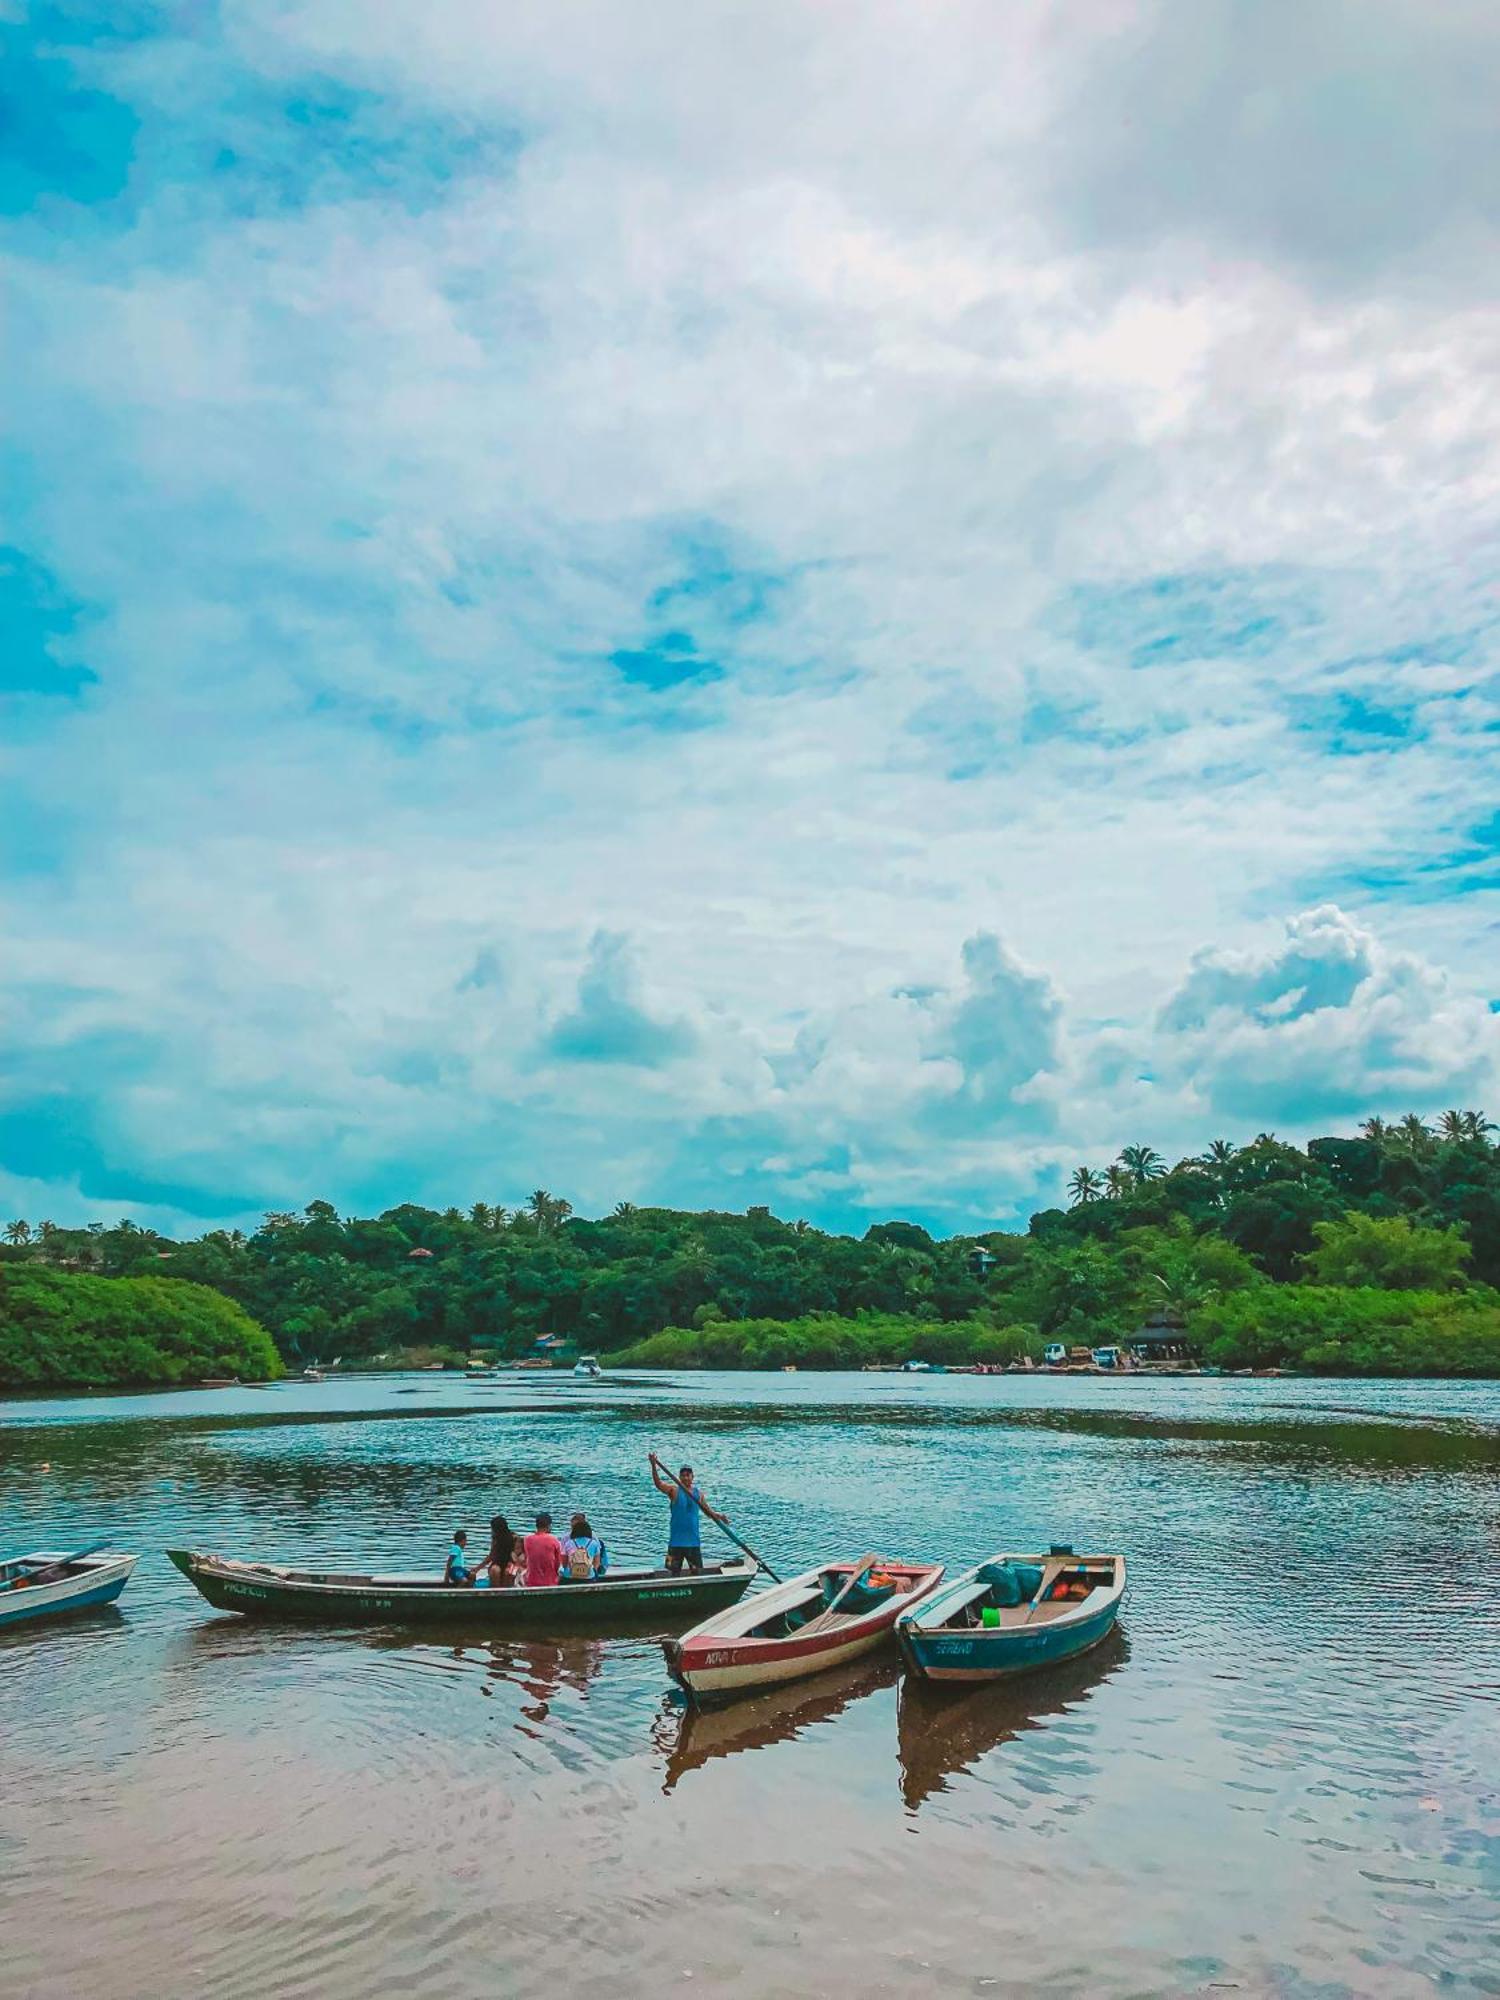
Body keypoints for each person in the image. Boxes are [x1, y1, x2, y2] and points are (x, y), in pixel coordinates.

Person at [648, 1455, 728, 1574]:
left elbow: (708, 1512)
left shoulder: (698, 1494)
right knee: (673, 1573)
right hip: (676, 1543)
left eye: (688, 1475)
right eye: (683, 1475)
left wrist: (719, 1516)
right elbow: (658, 1484)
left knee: (697, 1573)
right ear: (679, 1477)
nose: (685, 1478)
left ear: (692, 1477)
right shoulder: (674, 1490)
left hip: (693, 1543)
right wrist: (654, 1465)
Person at [559, 1512, 608, 1580]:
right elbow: (597, 1562)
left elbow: (563, 1562)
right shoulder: (593, 1542)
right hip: (589, 1575)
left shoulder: (568, 1542)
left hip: (570, 1575)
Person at [522, 1511, 563, 1587]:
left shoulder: (527, 1540)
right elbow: (557, 1564)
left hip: (531, 1582)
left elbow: (527, 1558)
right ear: (549, 1525)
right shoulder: (554, 1540)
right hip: (550, 1582)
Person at [476, 1514, 516, 1589]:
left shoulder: (513, 1537)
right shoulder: (495, 1539)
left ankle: (508, 1593)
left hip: (510, 1563)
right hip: (497, 1563)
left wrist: (513, 1564)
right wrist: (477, 1568)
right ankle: (496, 1592)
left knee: (509, 1571)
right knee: (495, 1570)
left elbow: (518, 1554)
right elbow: (491, 1556)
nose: (491, 1530)